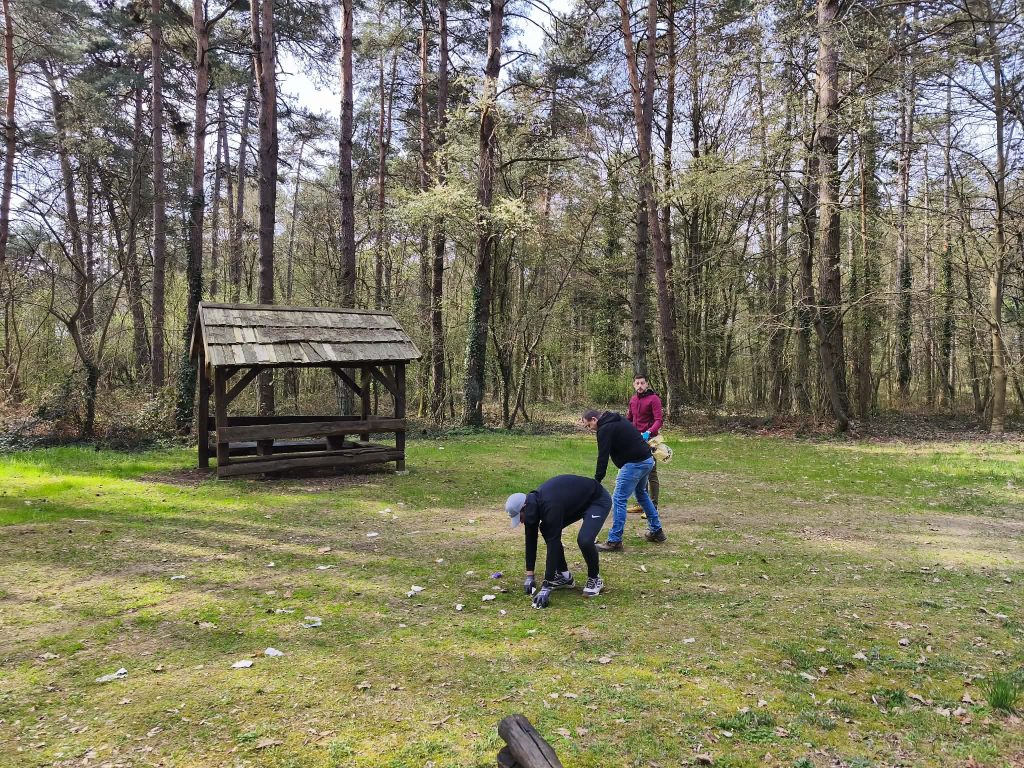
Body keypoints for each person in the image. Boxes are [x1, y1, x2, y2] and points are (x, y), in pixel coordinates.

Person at [505, 474, 612, 608]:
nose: (520, 522)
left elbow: (553, 542)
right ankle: (564, 576)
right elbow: (530, 540)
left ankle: (595, 579)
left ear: (524, 508)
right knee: (546, 528)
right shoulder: (533, 507)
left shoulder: (549, 505)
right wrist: (529, 576)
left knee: (584, 540)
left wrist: (546, 586)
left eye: (519, 518)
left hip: (597, 500)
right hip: (576, 502)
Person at [582, 408, 666, 552]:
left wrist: (597, 480)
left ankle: (614, 541)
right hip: (647, 460)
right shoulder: (616, 419)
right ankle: (657, 531)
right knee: (641, 494)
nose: (589, 429)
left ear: (595, 420)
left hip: (635, 464)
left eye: (588, 425)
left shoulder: (604, 429)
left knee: (619, 499)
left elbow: (603, 456)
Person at [626, 374, 663, 515]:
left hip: (650, 441)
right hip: (635, 441)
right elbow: (629, 419)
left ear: (647, 384)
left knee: (651, 473)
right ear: (634, 385)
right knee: (638, 473)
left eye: (642, 383)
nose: (640, 386)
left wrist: (648, 432)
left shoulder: (654, 399)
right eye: (637, 383)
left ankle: (652, 507)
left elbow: (658, 420)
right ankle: (641, 504)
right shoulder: (633, 399)